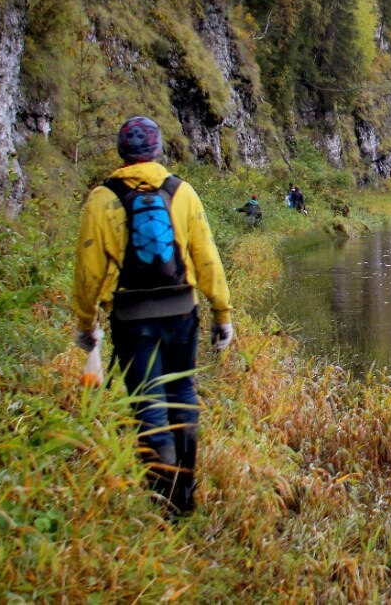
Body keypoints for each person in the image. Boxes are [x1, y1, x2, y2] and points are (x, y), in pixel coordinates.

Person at [71, 116, 233, 516]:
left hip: (131, 317)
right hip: (182, 311)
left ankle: (165, 503)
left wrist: (86, 325)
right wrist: (222, 313)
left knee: (149, 403)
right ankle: (186, 492)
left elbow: (88, 271)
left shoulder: (101, 199)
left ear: (122, 153)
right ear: (159, 150)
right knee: (182, 393)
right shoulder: (183, 193)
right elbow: (206, 258)